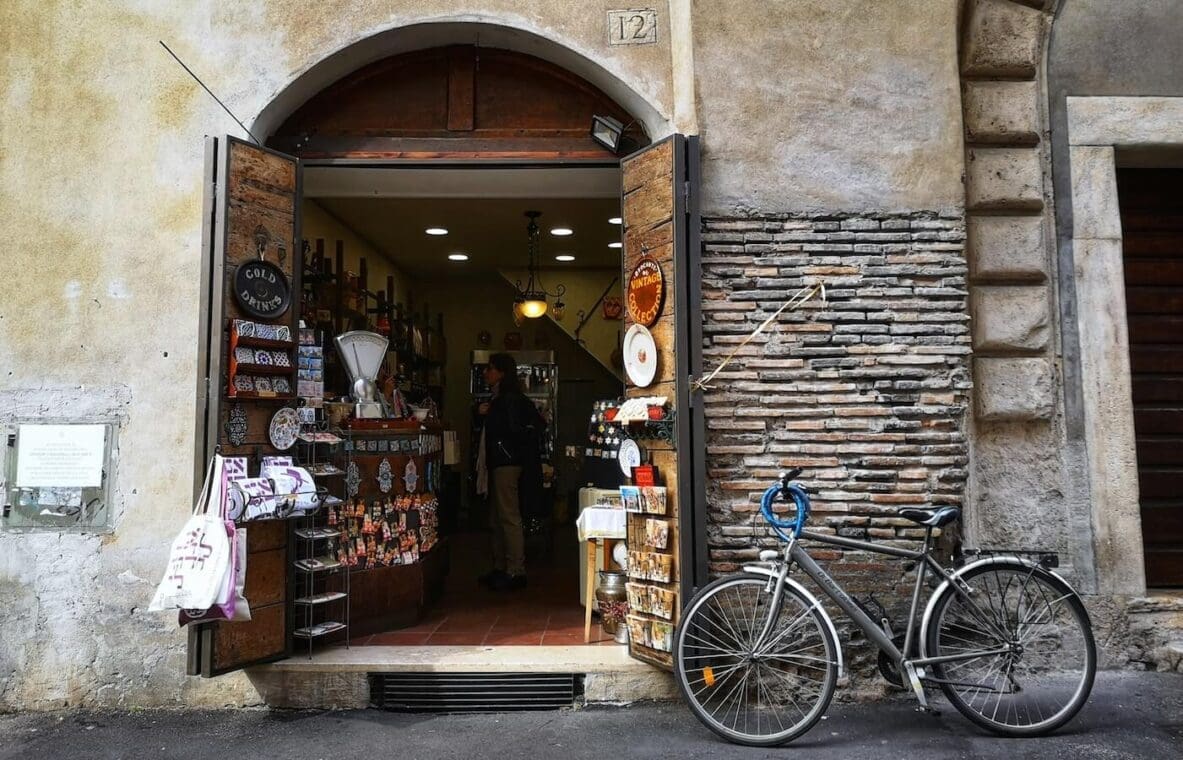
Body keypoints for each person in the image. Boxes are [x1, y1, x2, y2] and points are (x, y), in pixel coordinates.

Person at [475, 353, 545, 591]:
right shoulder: (503, 398)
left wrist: (489, 415)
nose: (486, 373)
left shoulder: (507, 400)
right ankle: (501, 567)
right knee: (497, 517)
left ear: (502, 373)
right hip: (501, 461)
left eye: (490, 369)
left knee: (507, 515)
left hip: (506, 463)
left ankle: (515, 570)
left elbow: (510, 430)